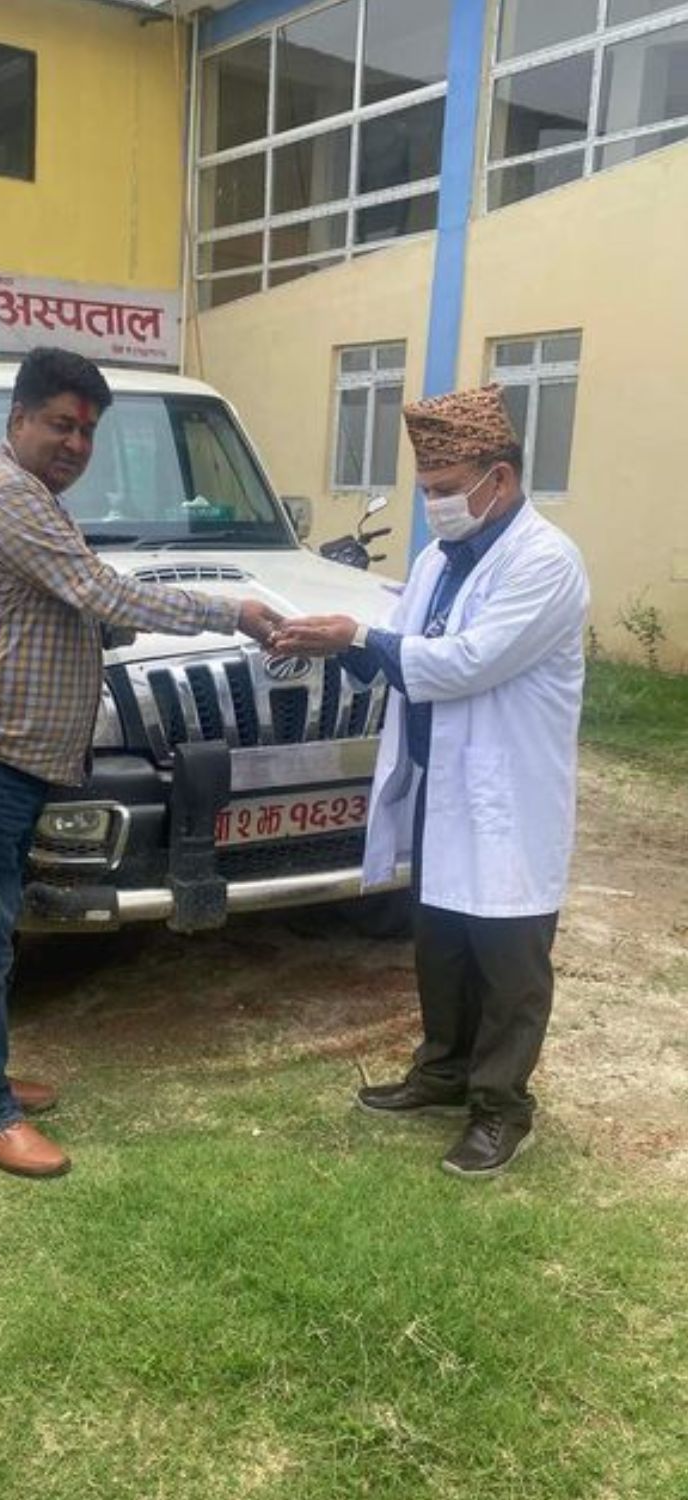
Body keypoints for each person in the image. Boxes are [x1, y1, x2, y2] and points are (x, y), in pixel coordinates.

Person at [0, 346, 286, 1180]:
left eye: (87, 431)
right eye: (60, 424)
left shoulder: (32, 499)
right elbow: (99, 591)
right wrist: (232, 611)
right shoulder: (8, 495)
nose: (76, 444)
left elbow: (76, 606)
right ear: (18, 420)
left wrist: (109, 621)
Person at [270, 385, 589, 1179]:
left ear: (499, 480)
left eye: (446, 490)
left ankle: (502, 1107)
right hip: (440, 780)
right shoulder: (439, 559)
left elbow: (468, 662)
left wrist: (357, 635)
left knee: (508, 956)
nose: (435, 506)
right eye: (427, 491)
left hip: (506, 790)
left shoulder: (546, 561)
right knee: (442, 940)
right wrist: (333, 642)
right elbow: (398, 639)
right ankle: (443, 1072)